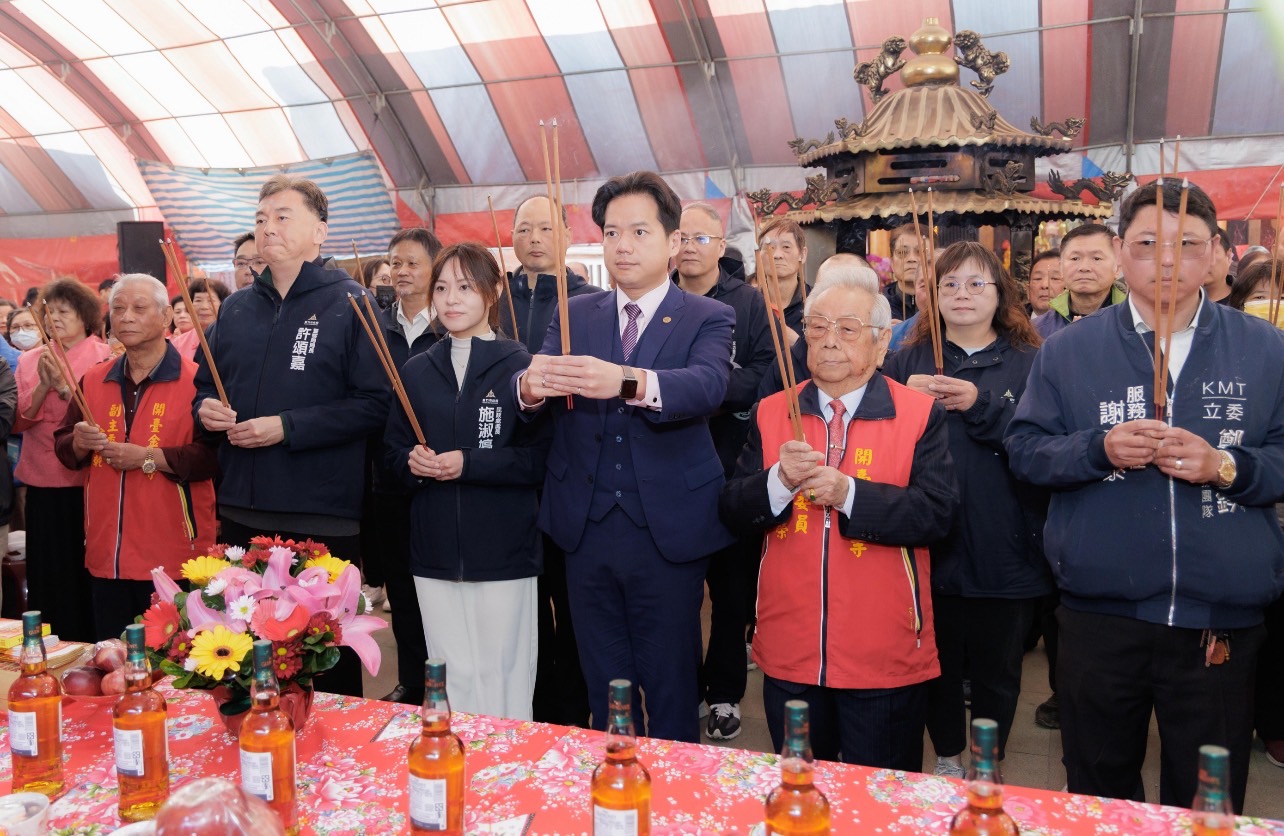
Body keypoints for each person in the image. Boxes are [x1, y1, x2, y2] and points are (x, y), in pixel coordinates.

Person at [1005, 180, 1284, 812]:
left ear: (1215, 253)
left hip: (1220, 620)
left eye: (1186, 244)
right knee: (1100, 794)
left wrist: (1226, 466)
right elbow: (1025, 452)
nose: (1165, 259)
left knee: (1206, 803)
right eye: (1147, 242)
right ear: (1120, 251)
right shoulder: (1069, 351)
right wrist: (1095, 449)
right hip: (1100, 617)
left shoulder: (1265, 350)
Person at [515, 171, 735, 742]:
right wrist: (530, 388)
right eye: (612, 232)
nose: (624, 245)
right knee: (602, 677)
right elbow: (534, 379)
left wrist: (628, 380)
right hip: (584, 525)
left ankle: (673, 793)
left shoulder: (707, 316)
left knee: (669, 678)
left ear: (672, 241)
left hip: (668, 527)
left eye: (639, 231)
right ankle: (615, 783)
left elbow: (708, 386)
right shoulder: (575, 313)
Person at [719, 274, 957, 769]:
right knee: (802, 793)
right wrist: (779, 480)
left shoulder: (917, 414)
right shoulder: (770, 412)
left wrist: (850, 494)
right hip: (790, 648)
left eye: (848, 329)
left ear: (881, 339)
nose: (829, 340)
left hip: (882, 652)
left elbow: (937, 513)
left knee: (882, 800)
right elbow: (734, 510)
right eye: (818, 326)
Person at [194, 174, 391, 697]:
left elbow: (376, 406)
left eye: (283, 217)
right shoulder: (234, 310)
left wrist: (287, 427)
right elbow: (203, 388)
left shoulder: (352, 304)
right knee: (244, 650)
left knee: (323, 656)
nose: (268, 228)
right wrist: (206, 410)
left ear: (319, 231)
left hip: (320, 512)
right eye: (260, 219)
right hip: (242, 509)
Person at [882, 241, 1052, 777]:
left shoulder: (1032, 361)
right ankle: (949, 755)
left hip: (1005, 536)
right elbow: (872, 435)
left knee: (999, 667)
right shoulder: (906, 358)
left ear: (1001, 293)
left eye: (977, 283)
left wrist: (982, 406)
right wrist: (894, 397)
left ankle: (988, 757)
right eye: (949, 283)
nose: (962, 294)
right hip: (926, 537)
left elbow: (1042, 444)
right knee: (934, 658)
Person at [387, 243, 550, 719]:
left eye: (465, 286)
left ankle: (507, 773)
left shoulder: (523, 368)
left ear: (494, 291)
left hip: (504, 549)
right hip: (433, 549)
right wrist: (410, 461)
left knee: (505, 669)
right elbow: (390, 454)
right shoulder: (416, 370)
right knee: (449, 670)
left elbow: (540, 461)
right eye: (442, 288)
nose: (451, 299)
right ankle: (458, 769)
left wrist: (470, 463)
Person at [54, 275, 218, 639]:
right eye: (117, 309)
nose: (125, 317)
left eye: (139, 308)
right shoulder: (94, 379)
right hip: (106, 552)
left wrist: (147, 458)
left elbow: (213, 457)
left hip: (176, 553)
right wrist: (80, 442)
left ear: (165, 319)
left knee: (177, 668)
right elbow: (64, 447)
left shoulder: (197, 381)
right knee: (115, 661)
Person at [673, 202, 775, 740]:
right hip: (668, 465)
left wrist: (703, 392)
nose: (689, 246)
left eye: (700, 237)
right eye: (681, 236)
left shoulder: (748, 302)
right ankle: (683, 688)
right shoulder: (658, 299)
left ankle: (727, 695)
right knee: (680, 594)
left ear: (720, 246)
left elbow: (762, 374)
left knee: (733, 594)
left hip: (732, 465)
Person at [502, 194, 602, 728]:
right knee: (526, 607)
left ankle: (575, 709)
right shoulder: (493, 299)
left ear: (565, 235)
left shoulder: (588, 302)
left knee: (574, 602)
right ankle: (533, 709)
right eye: (524, 228)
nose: (534, 238)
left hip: (568, 472)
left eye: (545, 228)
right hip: (507, 475)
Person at [365, 226, 442, 705]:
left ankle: (450, 681)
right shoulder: (373, 324)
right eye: (395, 262)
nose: (402, 271)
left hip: (444, 475)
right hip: (390, 475)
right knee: (404, 587)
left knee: (442, 589)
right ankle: (413, 681)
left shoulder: (452, 320)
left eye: (413, 262)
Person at [14, 279, 112, 641]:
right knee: (49, 568)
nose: (54, 318)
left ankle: (92, 639)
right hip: (42, 478)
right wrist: (43, 385)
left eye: (63, 312)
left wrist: (65, 389)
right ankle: (51, 641)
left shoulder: (104, 356)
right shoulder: (29, 359)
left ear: (85, 317)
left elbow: (105, 415)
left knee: (86, 566)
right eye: (49, 312)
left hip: (89, 479)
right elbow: (20, 420)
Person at [1034, 223, 1124, 338]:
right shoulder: (1037, 331)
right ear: (1061, 268)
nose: (1084, 267)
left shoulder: (1136, 323)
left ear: (1117, 267)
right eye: (1075, 258)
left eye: (1096, 258)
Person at [758, 217, 809, 336]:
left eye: (786, 247)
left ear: (802, 254)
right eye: (769, 247)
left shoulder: (815, 302)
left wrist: (797, 344)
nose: (776, 255)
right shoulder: (750, 303)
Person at [170, 279, 230, 361]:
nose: (204, 306)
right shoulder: (178, 344)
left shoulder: (232, 339)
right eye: (198, 300)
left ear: (223, 304)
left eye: (211, 300)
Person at [884, 224, 924, 323]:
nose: (911, 259)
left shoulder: (947, 305)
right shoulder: (879, 306)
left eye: (920, 252)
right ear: (892, 262)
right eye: (902, 252)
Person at [1027, 249, 1063, 316]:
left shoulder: (1081, 324)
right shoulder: (1010, 323)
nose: (1045, 285)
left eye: (1055, 278)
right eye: (1038, 278)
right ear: (1028, 291)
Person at [1204, 227, 1233, 305]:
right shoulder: (1176, 304)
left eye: (1211, 253)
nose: (1204, 261)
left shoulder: (1246, 300)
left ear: (1229, 256)